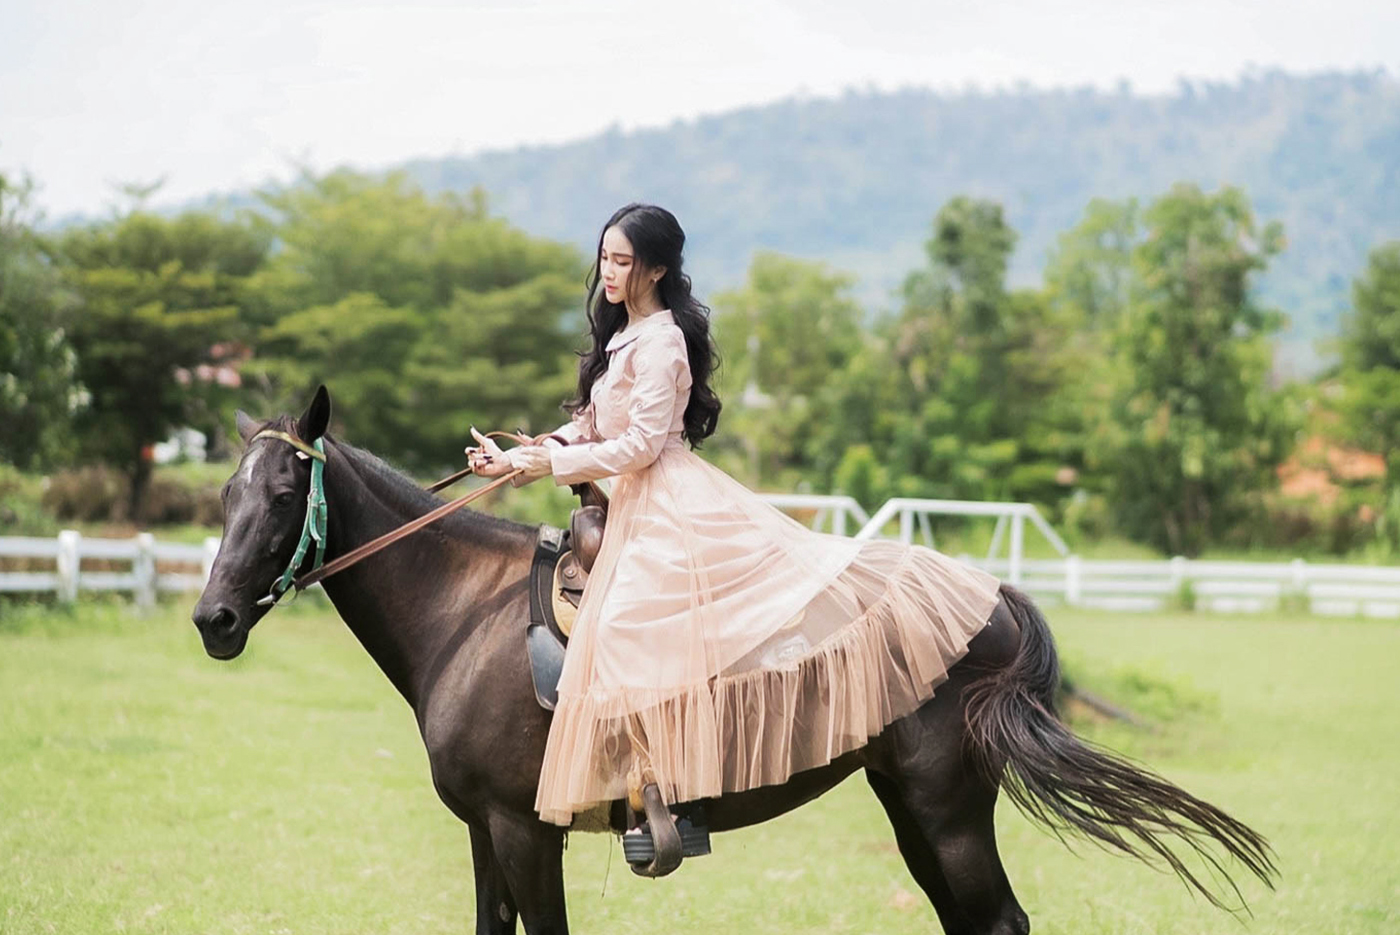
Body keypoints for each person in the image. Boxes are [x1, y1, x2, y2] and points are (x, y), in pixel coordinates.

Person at [466, 203, 1002, 875]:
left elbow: (637, 444)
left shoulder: (662, 340)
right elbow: (593, 424)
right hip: (627, 501)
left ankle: (667, 794)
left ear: (658, 268)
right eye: (605, 257)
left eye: (624, 261)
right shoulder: (622, 335)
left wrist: (555, 464)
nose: (609, 271)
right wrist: (521, 457)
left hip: (665, 501)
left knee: (632, 622)